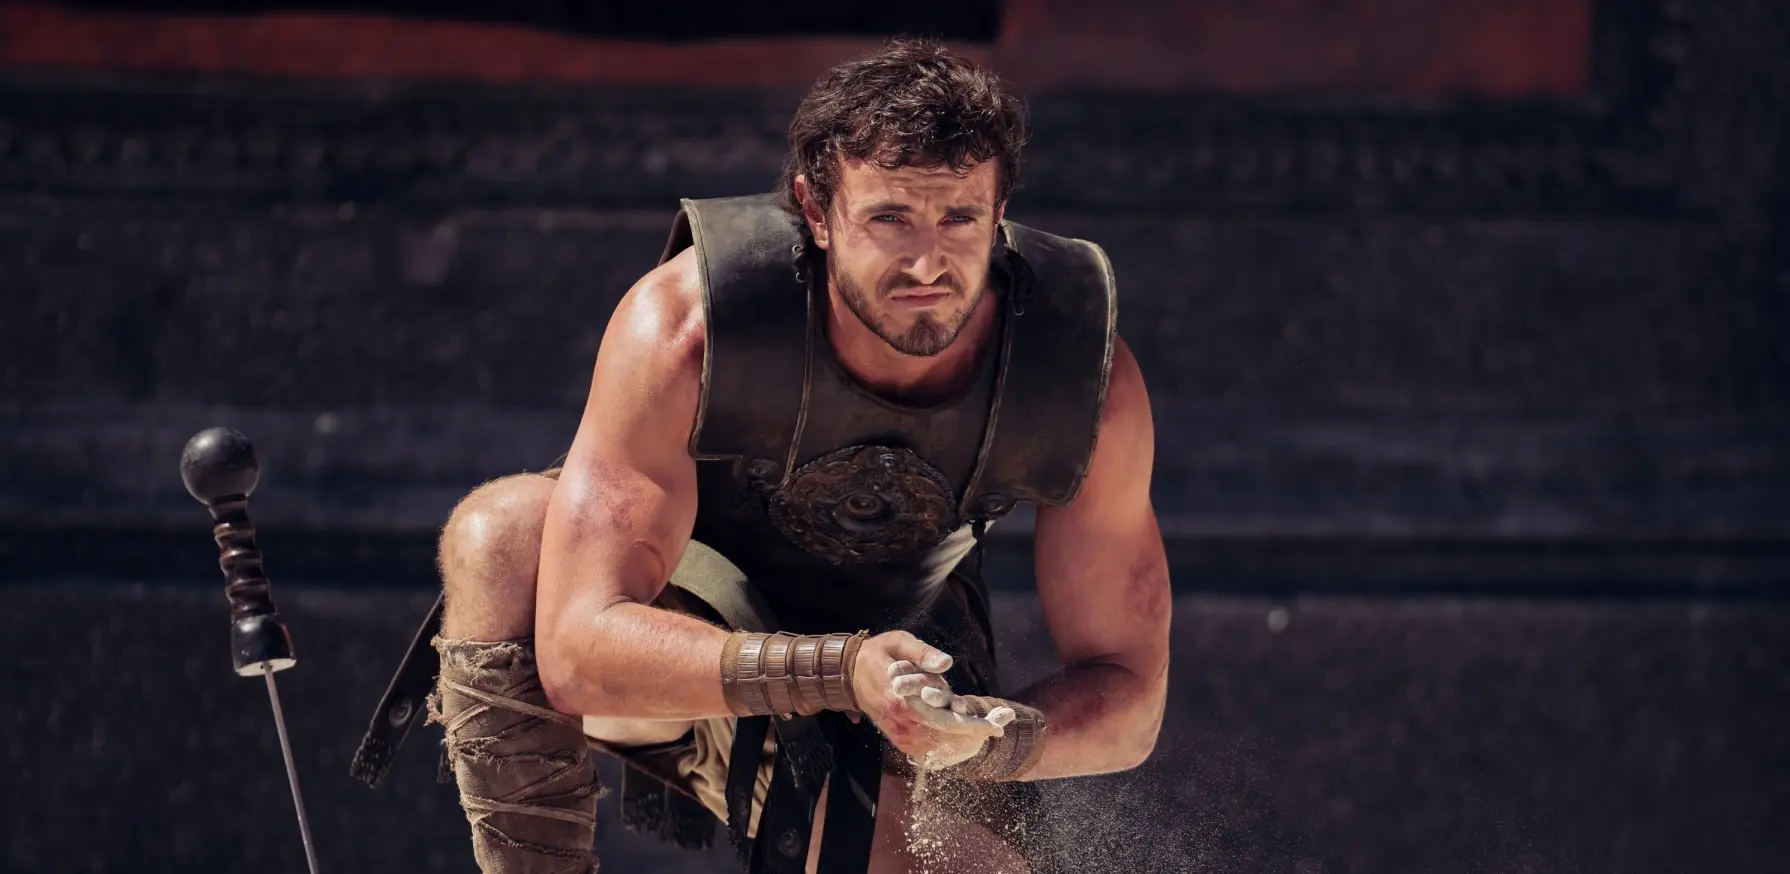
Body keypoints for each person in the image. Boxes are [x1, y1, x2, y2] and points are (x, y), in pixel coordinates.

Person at [406, 37, 1171, 874]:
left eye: (959, 218)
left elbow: (1129, 700)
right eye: (889, 219)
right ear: (815, 210)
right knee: (503, 531)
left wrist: (983, 740)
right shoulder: (687, 327)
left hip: (907, 687)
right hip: (682, 644)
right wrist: (838, 670)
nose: (928, 263)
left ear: (999, 211)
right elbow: (578, 650)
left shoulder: (1078, 377)